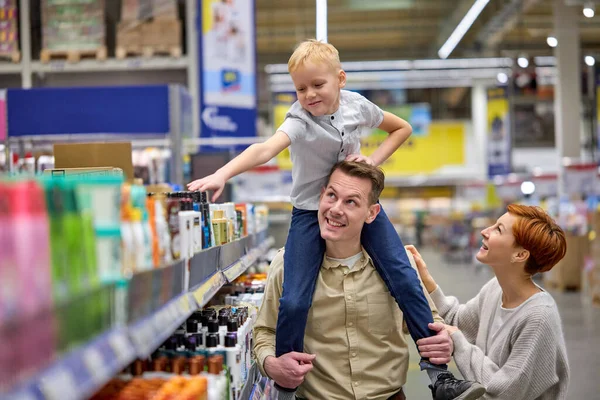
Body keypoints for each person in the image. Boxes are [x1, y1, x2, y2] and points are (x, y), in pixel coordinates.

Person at [188, 39, 483, 399]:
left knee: (404, 277)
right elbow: (264, 149)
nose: (309, 94)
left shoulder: (357, 106)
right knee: (295, 299)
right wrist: (222, 174)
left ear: (340, 79)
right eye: (300, 88)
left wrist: (373, 162)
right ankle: (285, 386)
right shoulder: (298, 121)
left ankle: (439, 376)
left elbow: (401, 128)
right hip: (310, 214)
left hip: (354, 205)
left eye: (317, 84)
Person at [253, 161, 465, 400]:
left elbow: (429, 320)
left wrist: (441, 341)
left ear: (372, 213)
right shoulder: (286, 264)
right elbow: (265, 330)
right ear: (321, 196)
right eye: (332, 196)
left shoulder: (400, 265)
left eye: (351, 201)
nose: (335, 209)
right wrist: (271, 364)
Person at [408, 204, 570, 399]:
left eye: (498, 230)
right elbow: (457, 322)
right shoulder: (495, 289)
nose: (485, 231)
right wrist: (427, 280)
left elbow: (504, 392)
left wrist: (458, 342)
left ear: (520, 255)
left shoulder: (538, 317)